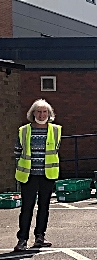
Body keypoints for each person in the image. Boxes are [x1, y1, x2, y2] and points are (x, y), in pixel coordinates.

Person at [13, 99, 62, 252]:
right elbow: (17, 151)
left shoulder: (55, 130)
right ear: (32, 113)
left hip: (48, 175)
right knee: (27, 207)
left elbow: (56, 149)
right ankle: (22, 239)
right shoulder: (24, 130)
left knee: (44, 207)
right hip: (29, 175)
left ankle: (40, 236)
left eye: (44, 112)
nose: (42, 115)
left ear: (49, 113)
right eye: (38, 112)